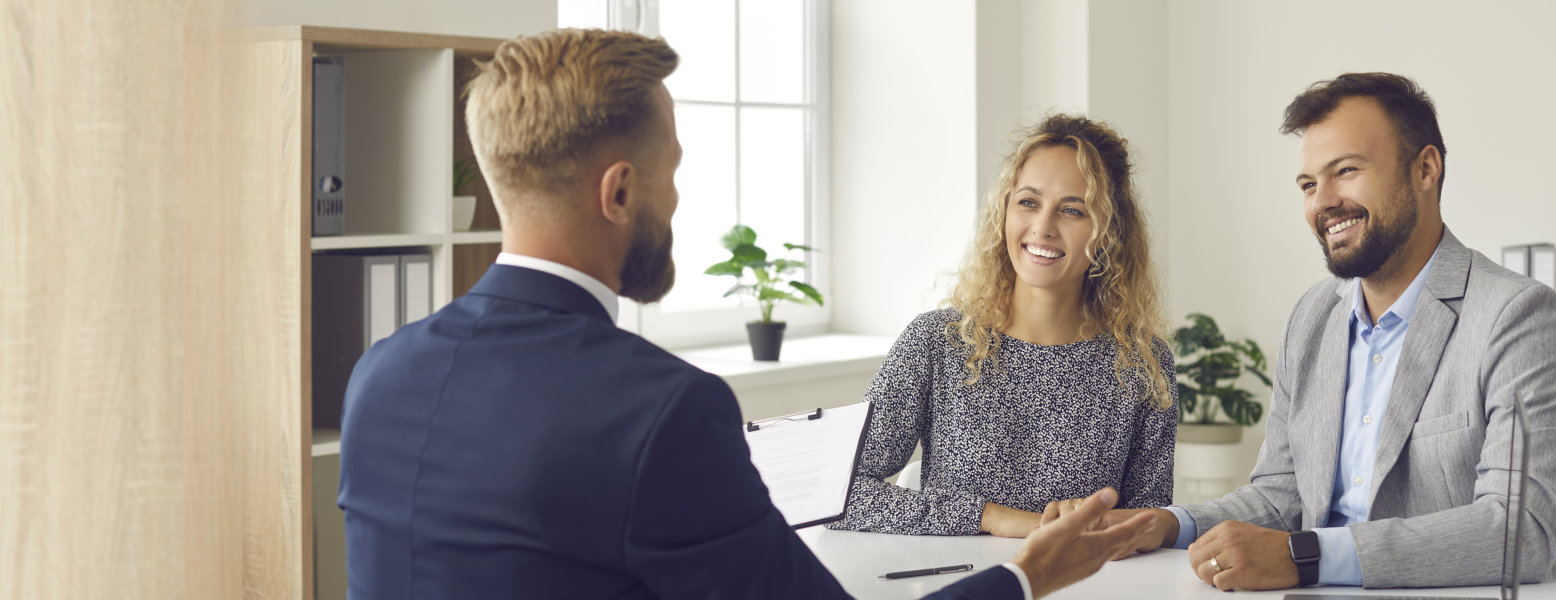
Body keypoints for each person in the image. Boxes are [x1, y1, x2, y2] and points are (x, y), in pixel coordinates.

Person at [337, 29, 1154, 600]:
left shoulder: (380, 376)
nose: (679, 196)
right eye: (673, 172)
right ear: (620, 192)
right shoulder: (661, 411)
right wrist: (1025, 574)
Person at [1043, 72, 1556, 591]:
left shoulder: (1517, 316)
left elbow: (1523, 534)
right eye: (1308, 183)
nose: (1322, 202)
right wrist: (1163, 523)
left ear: (1426, 170)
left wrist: (1305, 557)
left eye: (1346, 171)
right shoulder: (1313, 318)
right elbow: (1280, 497)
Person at [828, 114, 1178, 539]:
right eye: (1028, 202)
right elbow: (836, 497)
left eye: (1072, 210)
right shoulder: (937, 344)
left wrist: (1103, 525)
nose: (1043, 228)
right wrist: (992, 517)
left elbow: (1150, 529)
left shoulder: (1143, 362)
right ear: (1004, 212)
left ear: (1109, 233)